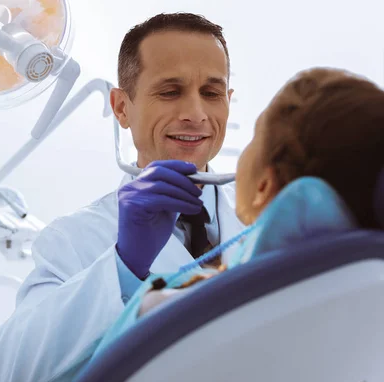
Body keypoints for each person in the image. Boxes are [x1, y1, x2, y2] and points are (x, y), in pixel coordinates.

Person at [0, 12, 245, 382]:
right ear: (122, 107)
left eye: (211, 92)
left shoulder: (266, 218)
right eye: (170, 91)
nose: (196, 113)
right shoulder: (74, 239)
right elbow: (9, 380)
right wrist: (124, 265)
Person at [123, 66, 384, 326]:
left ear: (264, 186)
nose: (195, 115)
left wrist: (133, 278)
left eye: (256, 136)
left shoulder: (164, 307)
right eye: (170, 92)